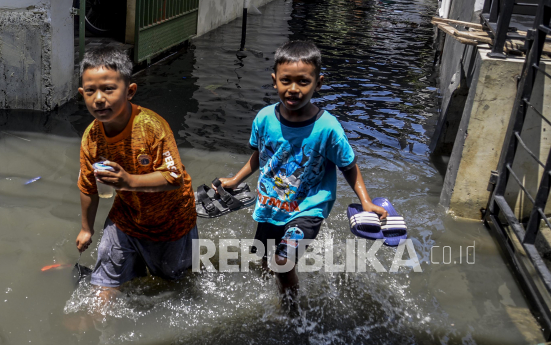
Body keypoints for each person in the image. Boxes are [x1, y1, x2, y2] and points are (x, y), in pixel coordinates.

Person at [215, 40, 387, 305]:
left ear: (318, 83)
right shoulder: (264, 119)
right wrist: (236, 179)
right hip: (271, 206)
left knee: (281, 262)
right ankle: (271, 297)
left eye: (303, 82)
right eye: (286, 81)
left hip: (308, 208)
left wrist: (365, 200)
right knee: (265, 261)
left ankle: (293, 312)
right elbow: (262, 155)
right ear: (275, 81)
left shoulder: (328, 128)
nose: (293, 89)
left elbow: (348, 166)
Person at [75, 45, 198, 302]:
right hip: (126, 218)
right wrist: (86, 228)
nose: (99, 98)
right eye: (91, 91)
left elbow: (173, 177)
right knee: (104, 283)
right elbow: (88, 187)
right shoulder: (91, 138)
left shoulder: (151, 127)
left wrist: (129, 181)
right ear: (82, 94)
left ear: (130, 91)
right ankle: (97, 326)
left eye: (108, 89)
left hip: (171, 220)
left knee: (173, 285)